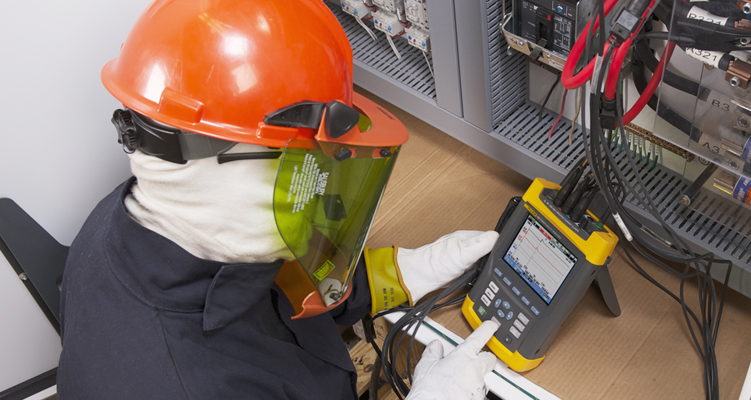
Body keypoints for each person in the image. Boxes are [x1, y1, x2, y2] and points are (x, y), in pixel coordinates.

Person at [57, 0, 501, 399]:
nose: (325, 194)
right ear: (231, 161)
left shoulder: (148, 225)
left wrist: (403, 272)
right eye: (312, 167)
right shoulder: (195, 384)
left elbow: (284, 286)